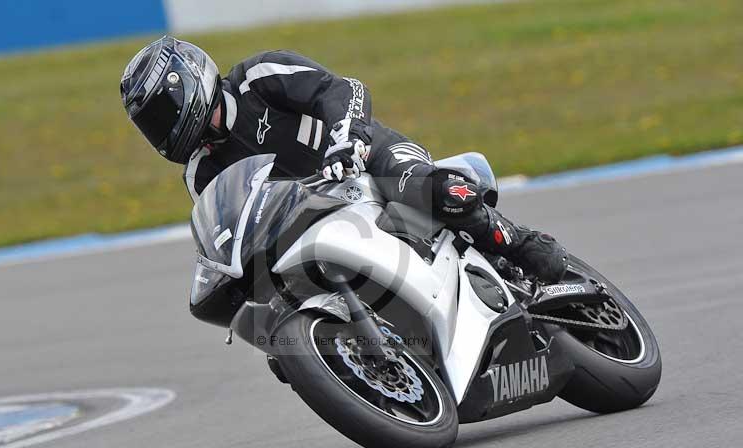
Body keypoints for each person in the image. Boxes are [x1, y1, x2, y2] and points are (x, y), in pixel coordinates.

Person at [120, 36, 568, 283]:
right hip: (321, 220)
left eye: (163, 112)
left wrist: (346, 139)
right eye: (151, 125)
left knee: (435, 191)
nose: (161, 130)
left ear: (190, 81)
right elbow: (232, 234)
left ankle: (516, 242)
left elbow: (342, 89)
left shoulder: (259, 77)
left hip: (368, 160)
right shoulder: (201, 174)